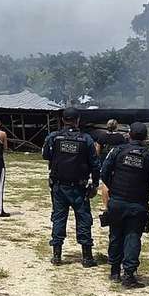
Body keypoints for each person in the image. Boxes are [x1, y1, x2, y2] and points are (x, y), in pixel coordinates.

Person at [42, 107, 100, 268]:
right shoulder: (86, 139)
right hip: (79, 188)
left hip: (58, 186)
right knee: (83, 219)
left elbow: (46, 155)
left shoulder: (53, 137)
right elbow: (95, 164)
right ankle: (87, 257)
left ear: (62, 120)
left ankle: (57, 256)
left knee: (59, 218)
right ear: (78, 120)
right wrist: (95, 184)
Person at [100, 122, 149, 288]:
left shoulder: (117, 150)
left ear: (129, 135)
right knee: (132, 237)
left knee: (116, 234)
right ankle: (129, 275)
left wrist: (114, 187)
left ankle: (114, 271)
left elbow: (104, 172)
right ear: (145, 138)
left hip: (117, 201)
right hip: (138, 203)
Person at [95, 119, 127, 207]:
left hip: (104, 160)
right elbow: (124, 149)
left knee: (105, 182)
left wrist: (97, 159)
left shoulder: (102, 136)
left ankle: (105, 205)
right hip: (116, 161)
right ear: (116, 126)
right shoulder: (120, 137)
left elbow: (97, 149)